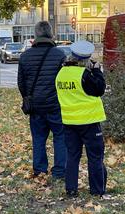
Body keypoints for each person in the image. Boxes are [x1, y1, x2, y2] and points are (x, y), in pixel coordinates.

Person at [55, 40, 107, 197]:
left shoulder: (61, 74)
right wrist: (97, 71)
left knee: (72, 156)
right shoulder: (84, 75)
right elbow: (99, 89)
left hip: (69, 122)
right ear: (86, 59)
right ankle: (97, 191)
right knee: (95, 157)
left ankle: (71, 189)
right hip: (89, 121)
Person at [17, 21, 67, 179]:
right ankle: (59, 171)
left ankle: (40, 170)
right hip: (55, 104)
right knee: (60, 137)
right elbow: (63, 81)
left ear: (36, 35)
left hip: (36, 105)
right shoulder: (59, 55)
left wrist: (28, 97)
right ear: (51, 34)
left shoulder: (25, 56)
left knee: (38, 138)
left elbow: (21, 83)